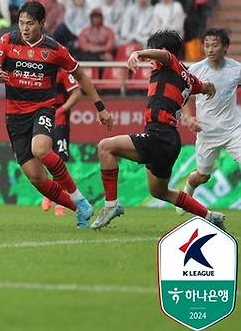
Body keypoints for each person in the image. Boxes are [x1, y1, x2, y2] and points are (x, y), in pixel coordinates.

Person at [0, 1, 112, 229]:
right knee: (36, 177)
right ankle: (79, 208)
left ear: (42, 23)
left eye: (30, 23)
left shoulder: (55, 49)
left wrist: (100, 106)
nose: (24, 28)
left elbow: (81, 76)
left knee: (41, 149)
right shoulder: (7, 41)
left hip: (42, 108)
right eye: (21, 23)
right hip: (14, 116)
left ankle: (78, 196)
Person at [93, 30, 225, 230]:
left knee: (105, 147)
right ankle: (210, 215)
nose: (150, 61)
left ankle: (111, 206)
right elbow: (204, 86)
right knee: (160, 192)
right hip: (171, 140)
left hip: (159, 134)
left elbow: (164, 55)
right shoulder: (188, 77)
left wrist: (138, 53)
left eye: (153, 52)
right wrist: (210, 88)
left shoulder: (167, 60)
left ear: (161, 50)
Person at [179, 28, 241, 215]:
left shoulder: (236, 69)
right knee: (203, 176)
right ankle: (189, 186)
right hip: (206, 132)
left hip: (233, 130)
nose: (210, 49)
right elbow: (184, 96)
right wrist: (189, 117)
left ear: (225, 47)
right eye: (206, 45)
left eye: (215, 45)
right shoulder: (196, 70)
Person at [41, 68, 82, 215]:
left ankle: (59, 201)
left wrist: (62, 109)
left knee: (59, 159)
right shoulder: (41, 68)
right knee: (43, 155)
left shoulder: (64, 72)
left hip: (60, 121)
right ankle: (48, 193)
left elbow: (77, 93)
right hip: (42, 116)